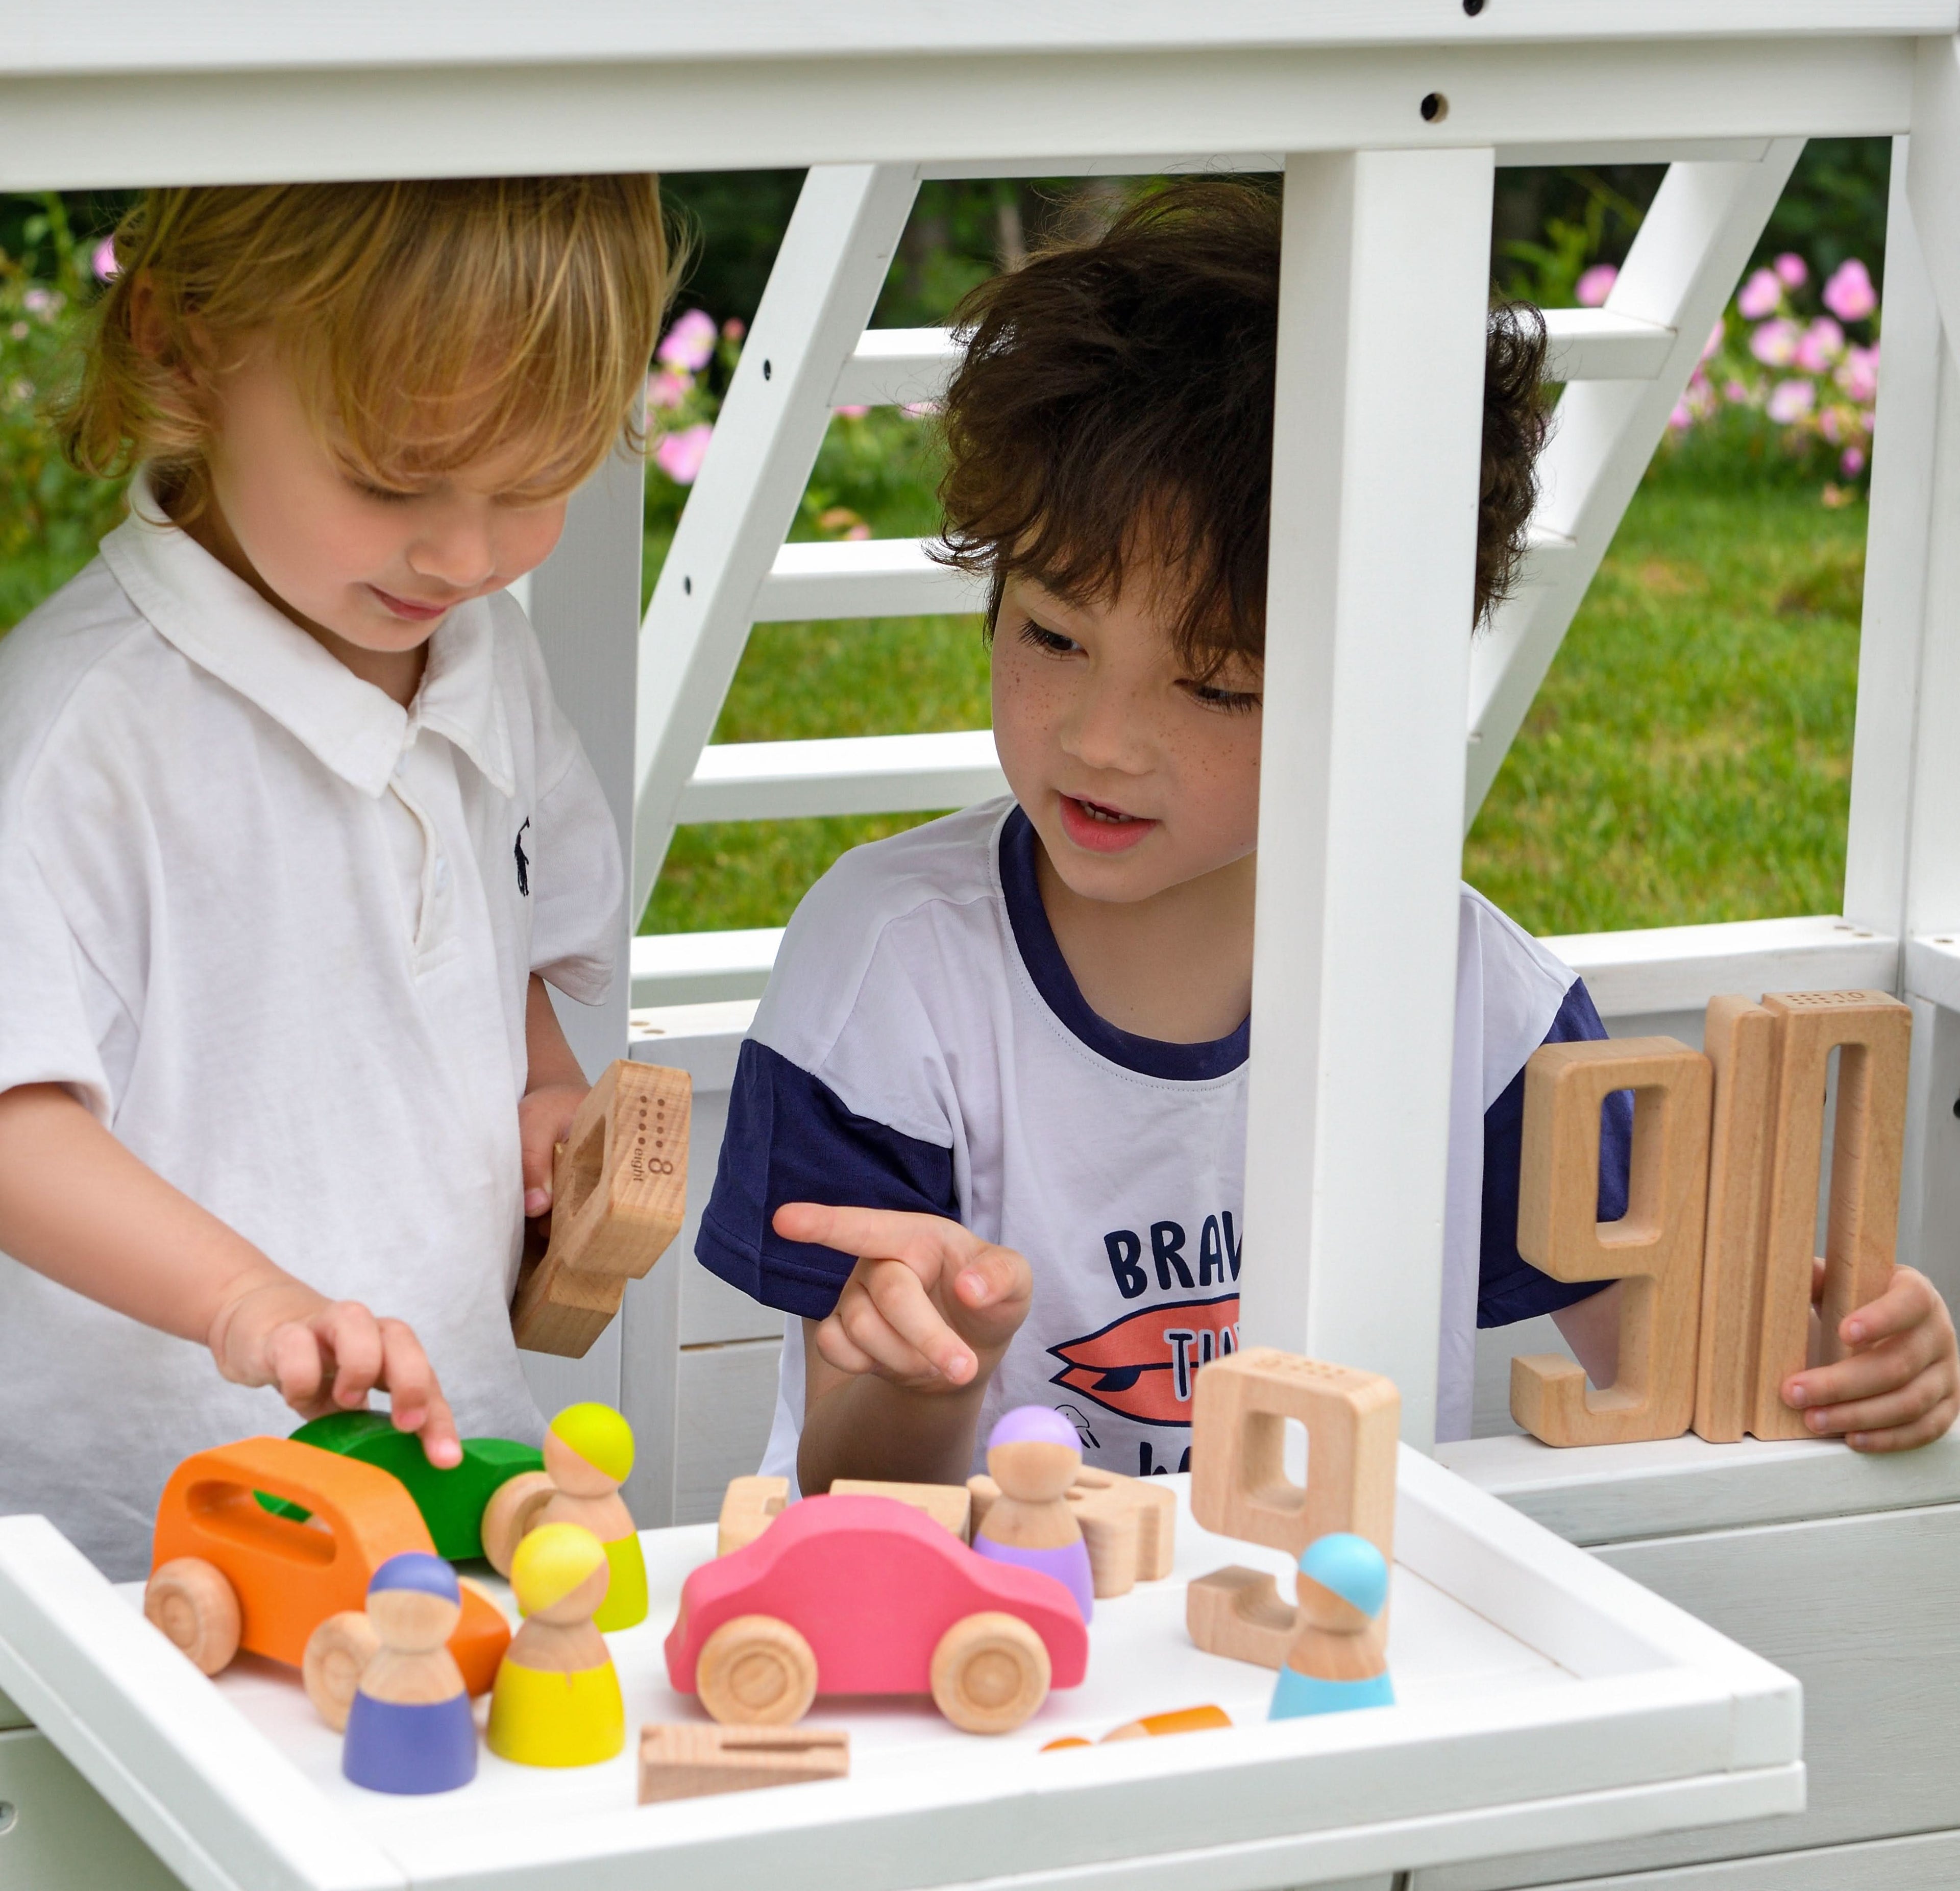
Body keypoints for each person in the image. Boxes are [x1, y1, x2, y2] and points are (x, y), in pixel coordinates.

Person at [694, 183, 1958, 1492]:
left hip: (1362, 1659)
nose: (1101, 739)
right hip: (1021, 1663)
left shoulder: (1478, 1006)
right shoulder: (889, 974)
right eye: (1054, 637)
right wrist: (928, 1366)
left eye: (1219, 685)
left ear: (1382, 680)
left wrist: (1838, 1355)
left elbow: (1690, 1364)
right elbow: (850, 1496)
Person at [0, 178, 669, 1579]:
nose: (467, 552)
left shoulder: (489, 657)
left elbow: (511, 944)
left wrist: (546, 1098)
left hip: (437, 1461)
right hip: (150, 1526)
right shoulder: (79, 735)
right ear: (186, 354)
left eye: (533, 483)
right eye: (391, 480)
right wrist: (243, 1295)